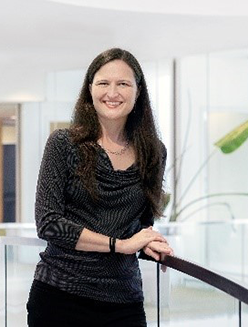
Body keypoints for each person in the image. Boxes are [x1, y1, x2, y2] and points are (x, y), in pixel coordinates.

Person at [26, 48, 173, 327]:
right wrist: (121, 245)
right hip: (60, 296)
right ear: (90, 89)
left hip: (124, 301)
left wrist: (149, 243)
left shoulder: (154, 152)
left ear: (138, 91)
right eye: (103, 83)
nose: (112, 92)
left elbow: (139, 227)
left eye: (123, 84)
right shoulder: (63, 144)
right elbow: (49, 224)